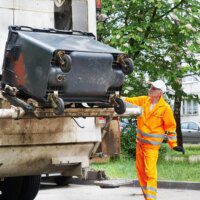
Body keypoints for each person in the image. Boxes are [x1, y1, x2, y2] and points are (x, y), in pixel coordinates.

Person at [122, 80, 184, 200]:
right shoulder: (144, 100)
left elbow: (171, 128)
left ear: (160, 93)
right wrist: (117, 97)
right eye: (151, 86)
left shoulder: (165, 108)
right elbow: (129, 100)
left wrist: (174, 144)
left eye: (153, 88)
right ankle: (147, 197)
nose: (150, 89)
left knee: (150, 172)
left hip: (151, 147)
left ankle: (151, 199)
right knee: (141, 172)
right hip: (140, 144)